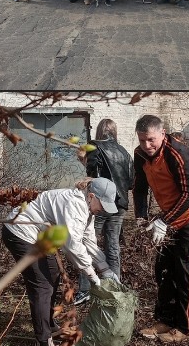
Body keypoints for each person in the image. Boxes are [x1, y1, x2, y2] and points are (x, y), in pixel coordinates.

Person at [1, 178, 120, 346]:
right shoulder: (74, 204)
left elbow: (89, 241)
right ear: (92, 196)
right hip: (20, 232)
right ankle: (43, 339)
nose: (103, 210)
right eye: (102, 204)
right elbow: (72, 246)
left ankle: (48, 325)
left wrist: (105, 268)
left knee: (53, 274)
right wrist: (93, 276)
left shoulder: (87, 209)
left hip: (38, 235)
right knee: (42, 285)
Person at [133, 115, 189, 343]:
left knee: (186, 271)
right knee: (164, 269)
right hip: (170, 216)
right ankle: (165, 320)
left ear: (162, 133)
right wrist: (141, 217)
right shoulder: (139, 155)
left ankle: (186, 329)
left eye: (150, 140)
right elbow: (139, 189)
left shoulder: (180, 154)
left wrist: (163, 221)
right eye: (141, 140)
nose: (146, 146)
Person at [74, 119, 134, 305]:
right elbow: (131, 181)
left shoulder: (94, 146)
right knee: (113, 245)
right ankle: (114, 287)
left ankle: (85, 289)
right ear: (114, 132)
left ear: (99, 131)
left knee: (88, 243)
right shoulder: (124, 151)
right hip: (120, 203)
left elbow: (92, 174)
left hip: (100, 201)